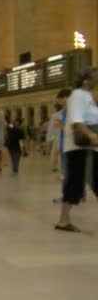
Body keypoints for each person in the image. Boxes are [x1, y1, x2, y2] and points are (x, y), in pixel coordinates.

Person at [55, 68, 98, 233]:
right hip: (80, 147)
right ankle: (63, 220)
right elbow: (76, 121)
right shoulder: (78, 95)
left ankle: (63, 220)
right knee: (76, 183)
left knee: (82, 182)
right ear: (86, 80)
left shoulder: (90, 97)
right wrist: (91, 136)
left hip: (90, 147)